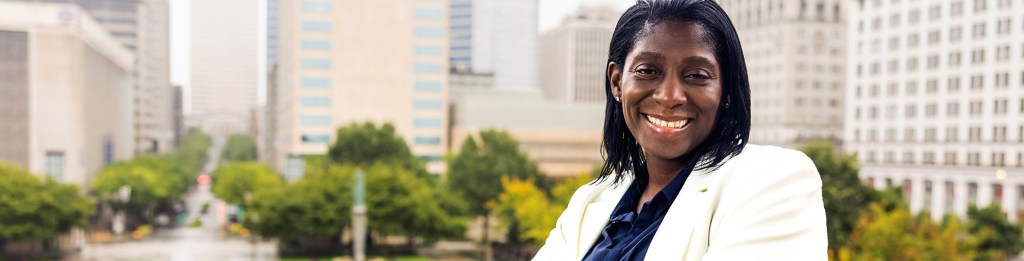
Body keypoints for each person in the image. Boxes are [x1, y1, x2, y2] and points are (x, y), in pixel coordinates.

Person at [532, 0, 827, 260]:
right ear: (617, 81)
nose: (670, 96)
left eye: (696, 75)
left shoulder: (774, 181)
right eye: (648, 71)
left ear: (725, 91)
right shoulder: (590, 201)